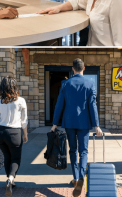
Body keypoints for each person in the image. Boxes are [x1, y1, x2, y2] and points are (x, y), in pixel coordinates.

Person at [51, 58, 103, 197]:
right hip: (84, 123)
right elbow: (93, 106)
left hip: (69, 123)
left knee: (72, 150)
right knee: (83, 151)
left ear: (73, 69)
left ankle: (75, 179)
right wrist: (96, 125)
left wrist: (54, 124)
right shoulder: (90, 84)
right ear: (83, 68)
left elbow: (59, 105)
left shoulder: (65, 84)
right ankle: (81, 177)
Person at [0, 77, 28, 197]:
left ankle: (11, 181)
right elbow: (23, 121)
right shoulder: (20, 101)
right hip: (14, 133)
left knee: (7, 156)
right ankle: (10, 179)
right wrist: (25, 134)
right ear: (15, 86)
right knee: (15, 158)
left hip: (0, 133)